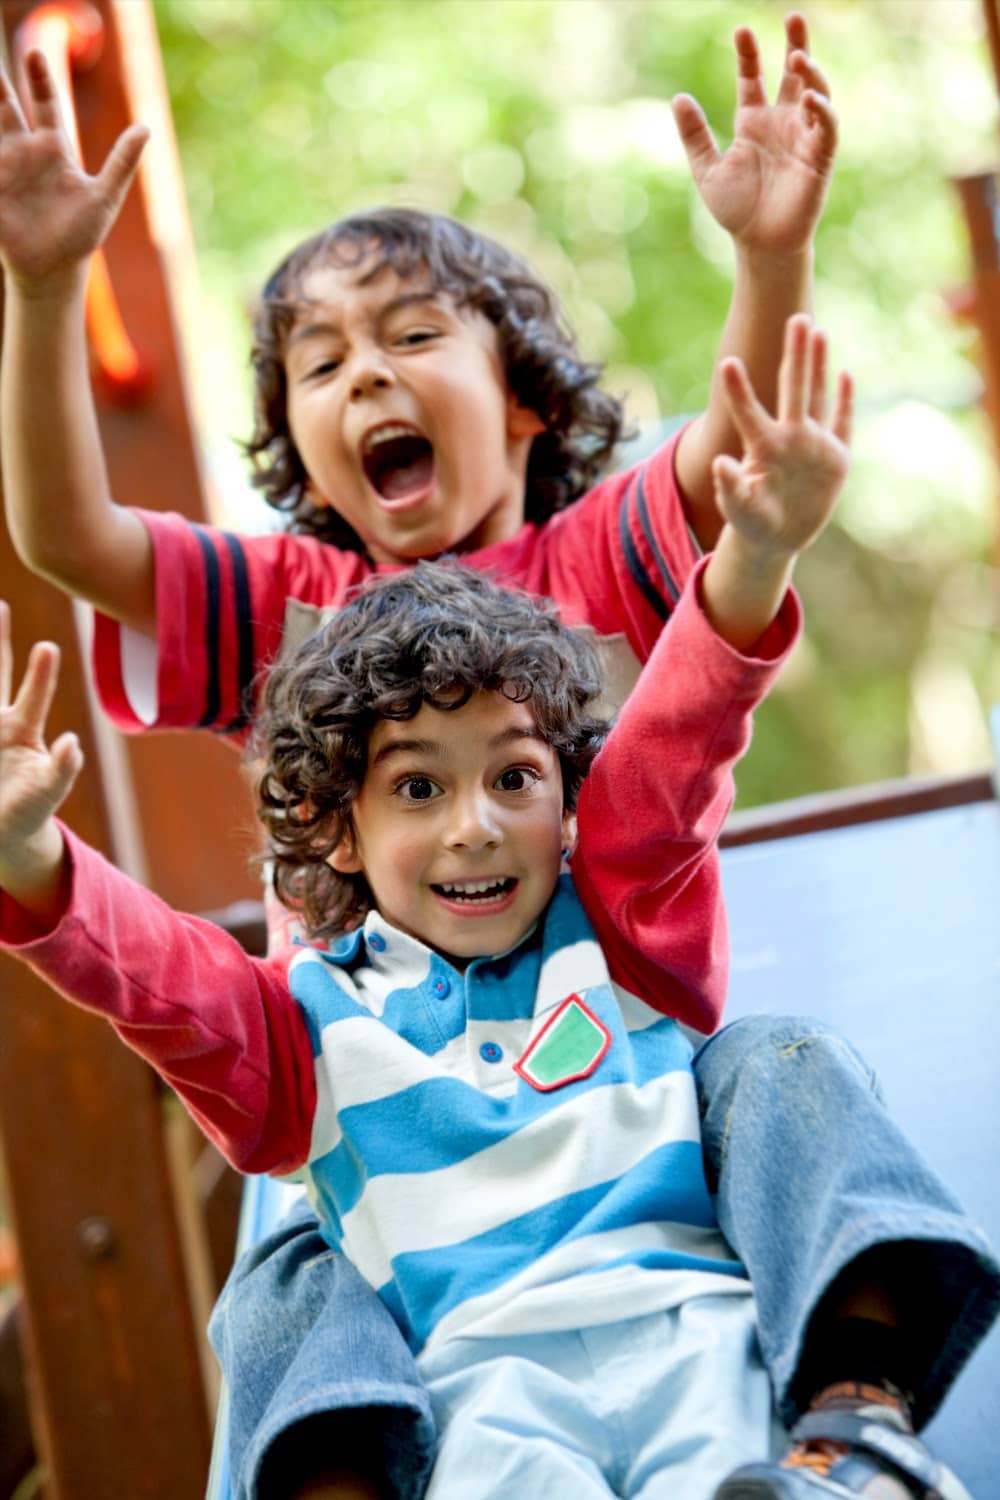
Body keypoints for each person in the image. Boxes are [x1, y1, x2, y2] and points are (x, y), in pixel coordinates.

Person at [0, 20, 995, 1500]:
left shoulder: (590, 556)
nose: (365, 377)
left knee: (776, 1071)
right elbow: (68, 540)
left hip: (608, 1064)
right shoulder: (289, 608)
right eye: (319, 363)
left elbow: (739, 470)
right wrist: (40, 283)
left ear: (522, 393)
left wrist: (768, 262)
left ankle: (846, 1427)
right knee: (287, 1260)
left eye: (411, 337)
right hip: (374, 1111)